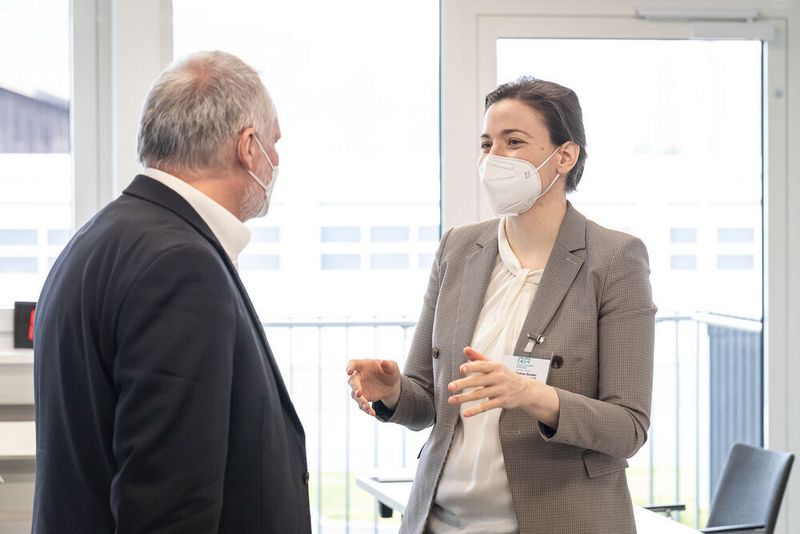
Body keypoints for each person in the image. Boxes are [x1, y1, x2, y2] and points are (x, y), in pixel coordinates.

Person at [347, 76, 656, 534]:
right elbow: (428, 403)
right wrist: (392, 392)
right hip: (439, 521)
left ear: (564, 157)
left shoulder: (614, 259)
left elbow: (628, 428)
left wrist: (535, 396)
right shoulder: (457, 248)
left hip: (558, 520)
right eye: (487, 143)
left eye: (514, 142)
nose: (494, 159)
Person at [32, 51, 310, 533]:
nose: (277, 159)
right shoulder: (181, 266)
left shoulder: (100, 238)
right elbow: (170, 501)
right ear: (248, 147)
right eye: (274, 143)